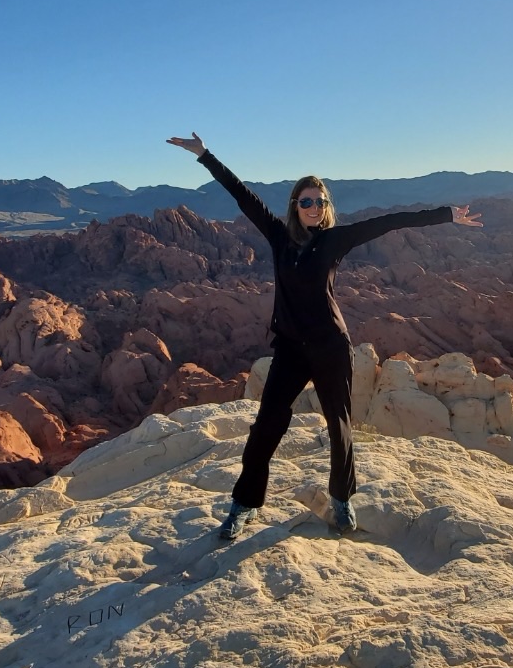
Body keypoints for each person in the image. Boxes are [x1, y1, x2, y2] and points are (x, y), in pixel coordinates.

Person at [166, 132, 483, 539]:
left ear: (326, 207)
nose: (314, 208)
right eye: (306, 201)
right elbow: (242, 195)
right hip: (290, 350)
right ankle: (244, 505)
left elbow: (386, 223)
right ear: (295, 206)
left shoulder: (334, 240)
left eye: (320, 202)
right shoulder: (279, 237)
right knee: (266, 425)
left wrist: (445, 215)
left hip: (330, 347)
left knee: (340, 425)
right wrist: (205, 156)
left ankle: (342, 500)